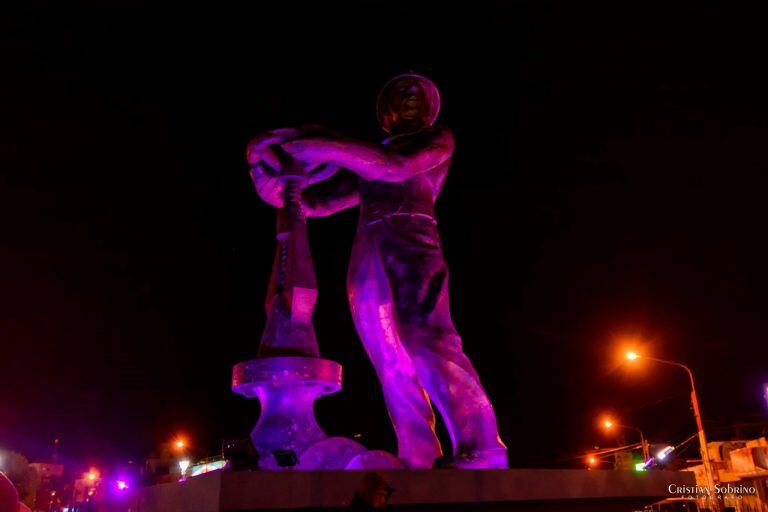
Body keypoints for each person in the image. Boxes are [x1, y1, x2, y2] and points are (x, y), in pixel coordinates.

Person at [247, 73, 507, 469]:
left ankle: (483, 446)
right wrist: (278, 186)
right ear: (386, 110)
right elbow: (317, 204)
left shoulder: (436, 140)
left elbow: (393, 167)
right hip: (367, 254)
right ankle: (418, 453)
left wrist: (325, 146)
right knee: (389, 359)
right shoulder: (367, 158)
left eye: (418, 92)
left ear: (432, 106)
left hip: (413, 241)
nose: (410, 96)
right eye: (401, 92)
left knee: (427, 338)